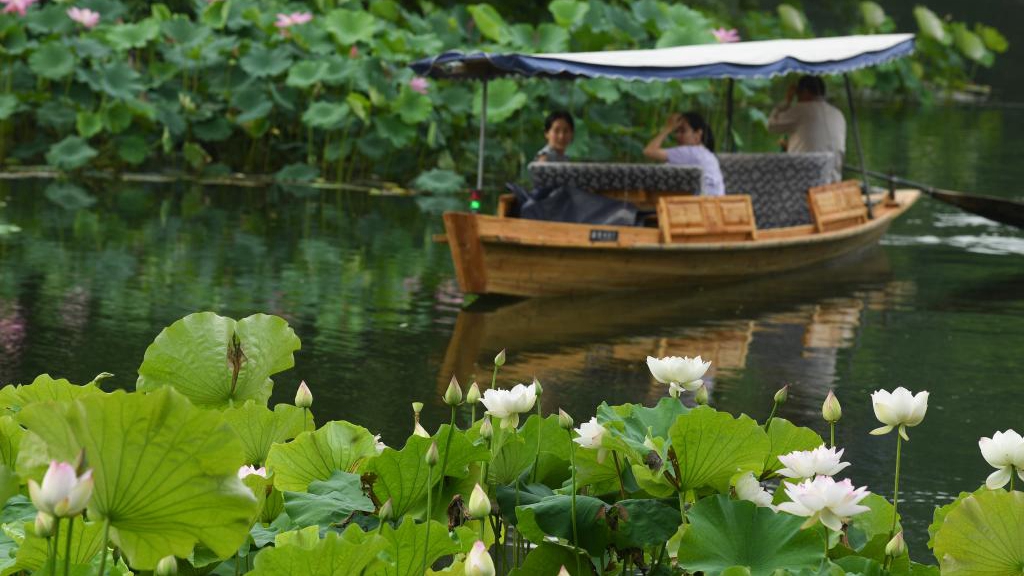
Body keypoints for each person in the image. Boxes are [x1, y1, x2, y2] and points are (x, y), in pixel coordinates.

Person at [767, 75, 847, 182]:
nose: (798, 99)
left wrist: (787, 101)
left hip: (805, 181)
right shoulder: (838, 114)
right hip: (834, 180)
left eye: (798, 94)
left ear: (805, 92)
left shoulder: (801, 110)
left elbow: (771, 125)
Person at [643, 111, 725, 196]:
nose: (677, 135)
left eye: (683, 131)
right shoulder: (706, 153)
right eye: (676, 131)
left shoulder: (690, 152)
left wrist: (668, 128)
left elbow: (649, 151)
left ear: (698, 135)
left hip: (701, 204)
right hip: (715, 203)